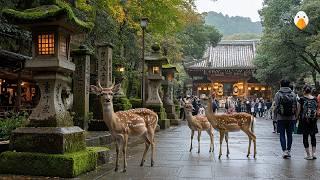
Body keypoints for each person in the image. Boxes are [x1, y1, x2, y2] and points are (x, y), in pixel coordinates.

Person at [274, 79, 298, 159]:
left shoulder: (278, 94)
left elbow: (276, 106)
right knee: (289, 135)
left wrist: (274, 118)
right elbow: (296, 106)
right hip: (291, 118)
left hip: (281, 118)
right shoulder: (293, 94)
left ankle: (284, 151)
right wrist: (296, 117)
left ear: (281, 85)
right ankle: (289, 150)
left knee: (282, 134)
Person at [297, 85, 318, 160]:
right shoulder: (315, 98)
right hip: (313, 120)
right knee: (313, 136)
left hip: (304, 120)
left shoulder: (301, 99)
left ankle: (308, 155)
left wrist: (296, 118)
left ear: (304, 91)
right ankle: (314, 153)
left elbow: (299, 110)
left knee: (305, 137)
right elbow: (316, 108)